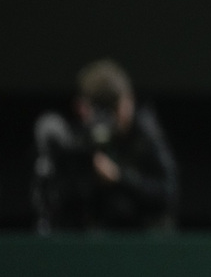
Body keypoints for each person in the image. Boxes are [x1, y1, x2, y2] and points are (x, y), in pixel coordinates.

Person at [32, 59, 179, 232]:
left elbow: (167, 194)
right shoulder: (85, 137)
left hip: (145, 239)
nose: (109, 120)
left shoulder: (147, 134)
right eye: (100, 109)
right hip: (98, 239)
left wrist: (118, 178)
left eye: (113, 108)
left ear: (128, 100)